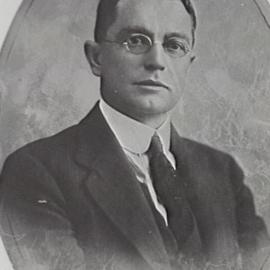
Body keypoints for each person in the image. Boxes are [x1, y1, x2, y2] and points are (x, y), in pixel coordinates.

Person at [0, 0, 269, 269]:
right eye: (136, 41)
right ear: (97, 58)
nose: (156, 61)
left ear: (189, 63)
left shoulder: (224, 172)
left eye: (174, 45)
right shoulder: (35, 172)